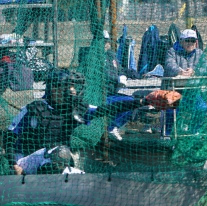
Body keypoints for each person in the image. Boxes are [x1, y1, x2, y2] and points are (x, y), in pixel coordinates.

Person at [7, 68, 142, 175]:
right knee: (61, 152)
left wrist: (142, 102)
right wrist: (14, 165)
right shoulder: (34, 108)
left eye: (72, 86)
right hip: (25, 161)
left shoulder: (74, 108)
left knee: (84, 181)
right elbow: (8, 137)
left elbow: (106, 109)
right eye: (68, 86)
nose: (73, 90)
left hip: (54, 161)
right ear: (54, 89)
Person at [162, 29, 207, 137]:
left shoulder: (199, 53)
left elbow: (206, 68)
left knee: (202, 108)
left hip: (192, 91)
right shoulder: (172, 51)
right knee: (171, 110)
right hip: (174, 90)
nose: (190, 43)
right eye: (187, 40)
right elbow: (169, 65)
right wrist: (179, 71)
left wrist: (194, 71)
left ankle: (194, 132)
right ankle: (168, 134)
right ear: (181, 41)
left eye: (193, 40)